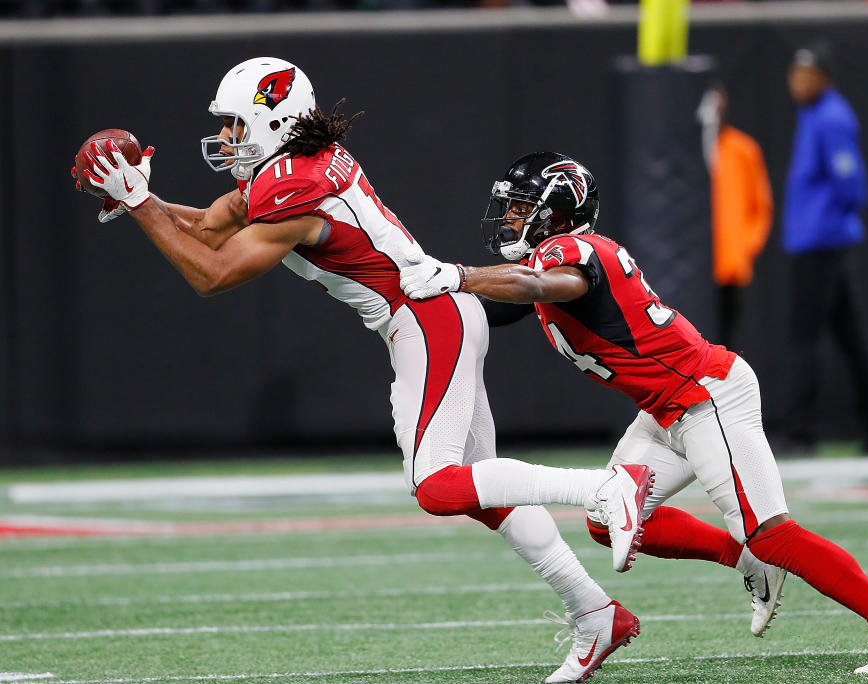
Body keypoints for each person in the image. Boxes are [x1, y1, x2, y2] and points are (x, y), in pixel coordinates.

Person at [73, 57, 654, 683]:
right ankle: (595, 613)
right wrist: (143, 200)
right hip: (431, 318)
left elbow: (211, 273)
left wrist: (140, 206)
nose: (229, 139)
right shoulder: (291, 168)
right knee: (484, 490)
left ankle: (603, 489)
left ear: (273, 120)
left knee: (436, 486)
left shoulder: (293, 186)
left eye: (237, 125)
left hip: (428, 319)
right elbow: (212, 229)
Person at [398, 151, 868, 674]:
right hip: (666, 409)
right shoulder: (550, 262)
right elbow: (493, 306)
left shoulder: (570, 254)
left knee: (771, 532)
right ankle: (745, 560)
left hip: (705, 397)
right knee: (606, 520)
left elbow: (537, 285)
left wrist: (459, 274)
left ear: (557, 210)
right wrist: (406, 315)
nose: (511, 217)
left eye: (521, 206)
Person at [783, 43, 868, 455]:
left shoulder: (830, 118)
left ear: (825, 79)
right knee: (852, 338)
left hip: (821, 245)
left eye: (807, 75)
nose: (798, 82)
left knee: (805, 339)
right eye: (795, 73)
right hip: (819, 242)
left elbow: (852, 186)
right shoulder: (814, 115)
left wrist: (825, 226)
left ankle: (801, 433)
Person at [697, 82, 773, 350]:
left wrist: (743, 248)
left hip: (729, 268)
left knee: (724, 346)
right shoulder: (687, 152)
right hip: (695, 271)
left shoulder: (744, 150)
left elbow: (761, 207)